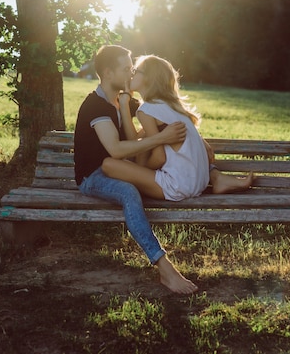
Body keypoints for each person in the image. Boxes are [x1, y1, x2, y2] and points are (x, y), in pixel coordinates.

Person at [74, 45, 197, 294]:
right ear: (108, 73)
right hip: (95, 176)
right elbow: (116, 150)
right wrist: (159, 140)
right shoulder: (95, 106)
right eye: (126, 68)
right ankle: (164, 268)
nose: (131, 73)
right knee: (129, 192)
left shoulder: (127, 102)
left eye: (133, 68)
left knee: (143, 182)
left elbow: (149, 132)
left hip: (123, 168)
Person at [101, 54, 253, 202]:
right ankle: (218, 179)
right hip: (198, 183)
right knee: (142, 146)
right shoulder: (172, 106)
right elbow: (138, 141)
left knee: (109, 165)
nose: (131, 75)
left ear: (149, 78)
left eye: (136, 71)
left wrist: (141, 169)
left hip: (178, 185)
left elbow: (158, 156)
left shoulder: (147, 109)